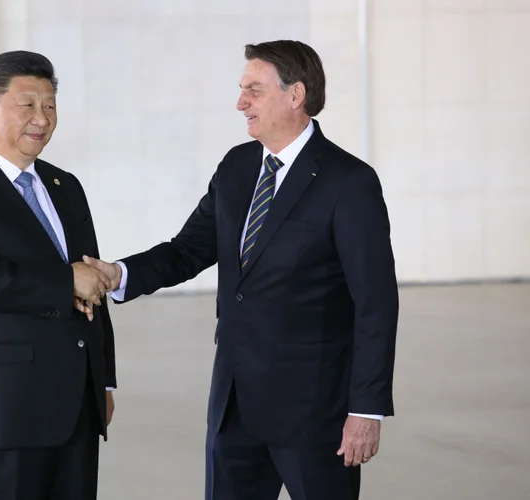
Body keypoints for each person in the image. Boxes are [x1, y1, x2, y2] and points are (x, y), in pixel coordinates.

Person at [83, 40, 399, 500]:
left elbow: (376, 303)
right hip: (234, 405)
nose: (240, 102)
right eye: (241, 89)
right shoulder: (236, 167)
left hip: (314, 411)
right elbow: (187, 249)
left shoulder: (348, 182)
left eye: (253, 89)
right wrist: (117, 273)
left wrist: (366, 410)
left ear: (296, 95)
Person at [0, 50, 117, 500]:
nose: (42, 118)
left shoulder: (64, 186)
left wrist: (102, 381)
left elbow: (92, 287)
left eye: (49, 105)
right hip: (4, 409)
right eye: (27, 104)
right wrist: (64, 281)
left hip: (76, 407)